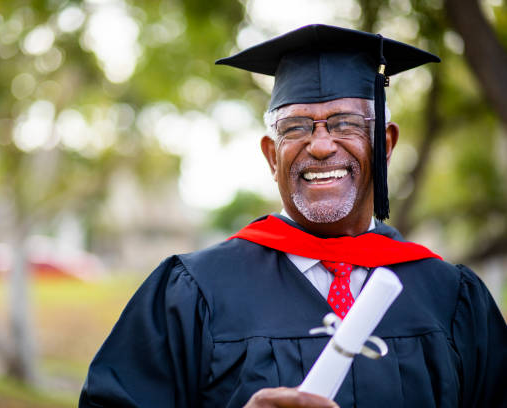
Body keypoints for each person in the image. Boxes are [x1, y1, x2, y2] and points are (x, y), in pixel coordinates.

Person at [79, 24, 507, 408]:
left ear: (386, 144)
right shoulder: (193, 294)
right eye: (296, 127)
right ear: (271, 154)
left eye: (345, 124)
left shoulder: (452, 299)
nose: (320, 146)